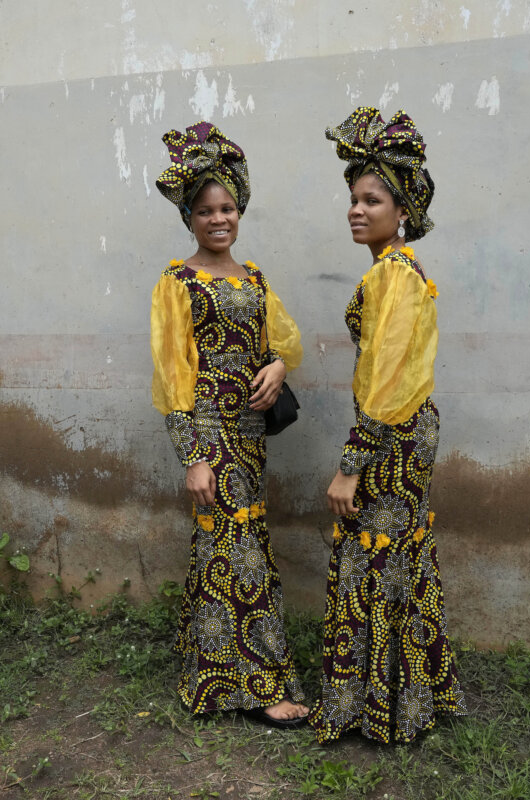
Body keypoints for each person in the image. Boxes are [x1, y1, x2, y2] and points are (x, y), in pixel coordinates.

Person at [310, 107, 466, 743]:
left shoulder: (394, 275)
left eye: (372, 199)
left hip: (391, 437)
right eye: (353, 198)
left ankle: (378, 708)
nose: (357, 209)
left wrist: (350, 467)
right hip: (402, 431)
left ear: (402, 211)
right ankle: (405, 701)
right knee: (395, 562)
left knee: (376, 562)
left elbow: (385, 381)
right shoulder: (393, 272)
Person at [150, 121, 309, 727]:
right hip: (211, 432)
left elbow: (282, 339)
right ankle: (262, 687)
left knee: (227, 547)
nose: (219, 220)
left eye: (229, 208)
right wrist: (191, 455)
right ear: (189, 218)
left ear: (240, 211)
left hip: (250, 435)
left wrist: (275, 363)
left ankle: (211, 672)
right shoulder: (178, 282)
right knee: (235, 548)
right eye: (206, 211)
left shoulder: (255, 279)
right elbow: (173, 378)